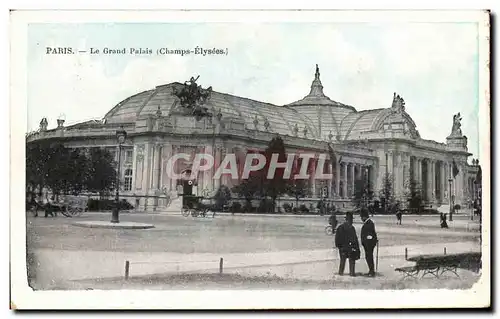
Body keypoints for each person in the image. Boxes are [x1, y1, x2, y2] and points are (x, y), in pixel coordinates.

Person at [335, 212, 360, 276]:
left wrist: (339, 246)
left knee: (343, 262)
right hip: (349, 248)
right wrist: (356, 248)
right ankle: (351, 273)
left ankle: (341, 273)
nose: (352, 221)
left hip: (344, 248)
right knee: (351, 261)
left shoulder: (341, 227)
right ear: (349, 220)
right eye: (351, 220)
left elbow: (337, 238)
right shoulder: (351, 228)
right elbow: (355, 239)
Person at [360, 208, 378, 277]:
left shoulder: (369, 223)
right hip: (368, 244)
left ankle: (371, 271)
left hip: (369, 244)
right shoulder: (368, 223)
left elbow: (370, 235)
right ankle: (371, 270)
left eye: (361, 217)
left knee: (369, 257)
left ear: (364, 216)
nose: (361, 218)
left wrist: (368, 240)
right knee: (368, 257)